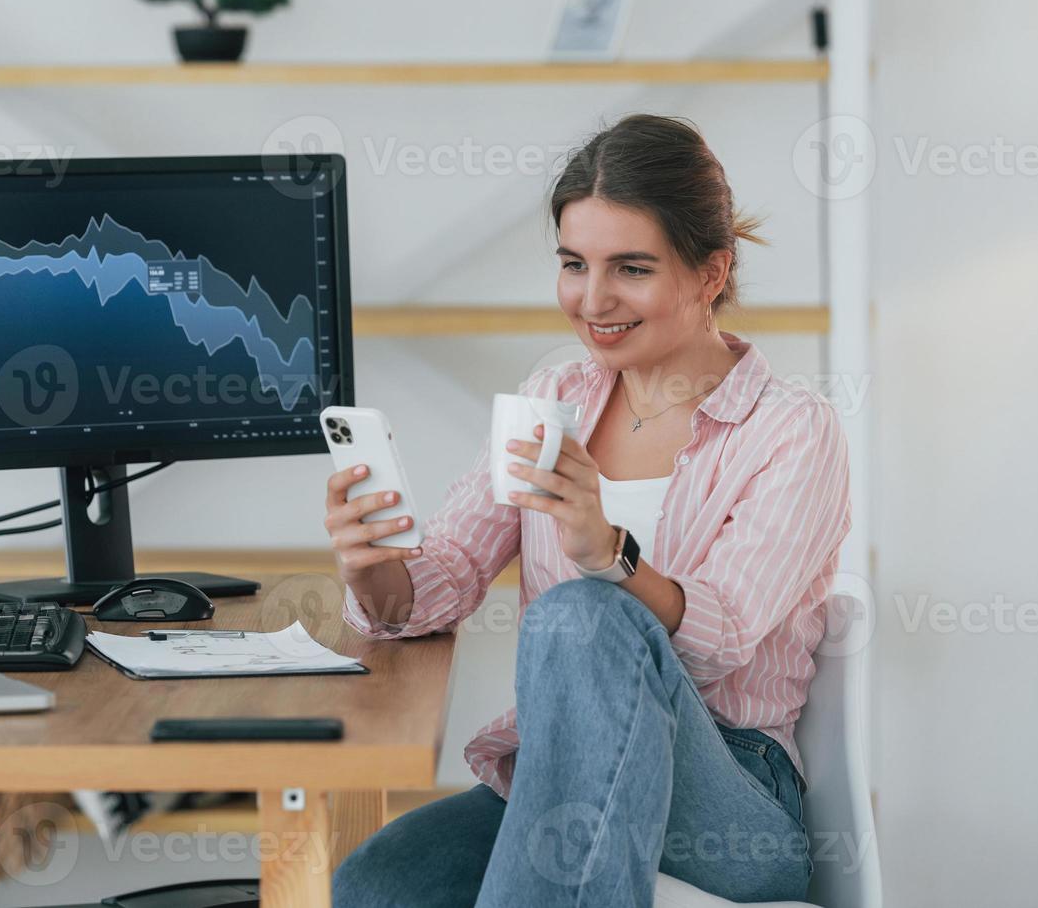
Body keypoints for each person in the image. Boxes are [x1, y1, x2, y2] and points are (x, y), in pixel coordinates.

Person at [324, 115, 851, 906]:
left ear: (713, 271)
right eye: (574, 264)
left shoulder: (792, 429)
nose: (593, 300)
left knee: (581, 615)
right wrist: (373, 571)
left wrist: (609, 551)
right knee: (376, 888)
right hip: (562, 766)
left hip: (729, 799)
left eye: (631, 268)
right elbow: (449, 576)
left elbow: (723, 640)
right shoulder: (554, 396)